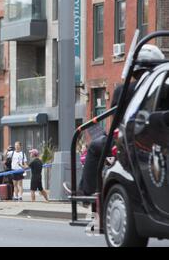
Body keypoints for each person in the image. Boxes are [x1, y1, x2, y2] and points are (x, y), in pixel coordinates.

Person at [64, 44, 165, 197]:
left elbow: (116, 120)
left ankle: (87, 191)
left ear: (135, 69)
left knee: (94, 147)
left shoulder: (123, 90)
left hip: (128, 141)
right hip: (160, 141)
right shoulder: (164, 88)